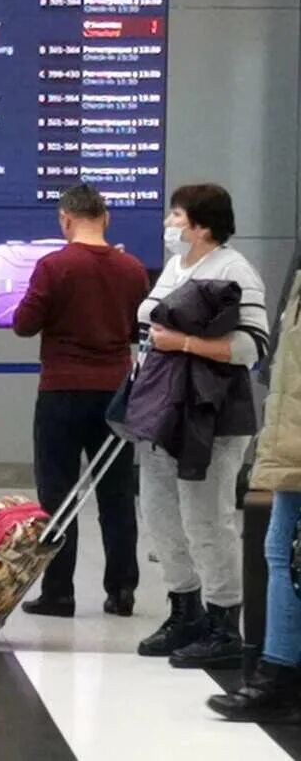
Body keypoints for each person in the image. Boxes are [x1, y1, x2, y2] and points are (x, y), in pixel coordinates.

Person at [134, 183, 266, 669]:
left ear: (202, 226)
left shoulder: (235, 270)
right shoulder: (176, 266)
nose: (170, 224)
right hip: (163, 408)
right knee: (160, 512)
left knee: (206, 518)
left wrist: (183, 344)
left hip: (213, 413)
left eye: (177, 216)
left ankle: (223, 622)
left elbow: (250, 347)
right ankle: (183, 608)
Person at [8, 184, 149, 620]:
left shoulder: (54, 266)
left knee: (57, 494)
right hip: (115, 394)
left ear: (65, 219)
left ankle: (59, 593)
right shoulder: (133, 269)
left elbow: (24, 325)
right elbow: (137, 331)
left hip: (61, 391)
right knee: (118, 494)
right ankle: (122, 590)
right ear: (105, 218)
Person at [213, 258, 301, 722]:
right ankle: (277, 672)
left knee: (282, 553)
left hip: (294, 446)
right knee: (280, 552)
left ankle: (278, 678)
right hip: (289, 443)